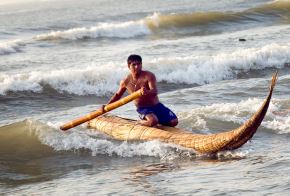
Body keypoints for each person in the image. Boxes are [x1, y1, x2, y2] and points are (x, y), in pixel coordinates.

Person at [104, 54, 178, 127]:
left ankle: (156, 121)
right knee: (153, 121)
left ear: (141, 65)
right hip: (143, 108)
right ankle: (140, 122)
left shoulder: (149, 76)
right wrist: (106, 106)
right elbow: (117, 95)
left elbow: (154, 91)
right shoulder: (125, 81)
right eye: (134, 64)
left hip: (156, 105)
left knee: (174, 122)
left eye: (139, 64)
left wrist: (147, 92)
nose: (137, 67)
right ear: (128, 66)